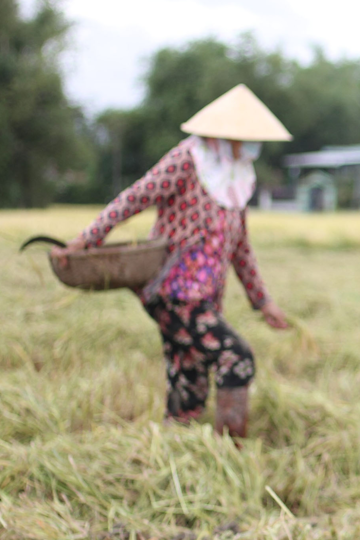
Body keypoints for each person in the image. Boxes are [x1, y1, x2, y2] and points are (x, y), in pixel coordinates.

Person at [53, 84, 292, 439]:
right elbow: (135, 197)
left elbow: (240, 248)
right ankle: (232, 452)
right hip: (173, 290)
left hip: (207, 295)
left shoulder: (238, 177)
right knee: (235, 356)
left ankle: (177, 446)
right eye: (247, 139)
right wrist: (89, 238)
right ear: (225, 135)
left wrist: (263, 301)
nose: (253, 148)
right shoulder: (187, 159)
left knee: (189, 372)